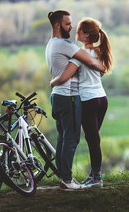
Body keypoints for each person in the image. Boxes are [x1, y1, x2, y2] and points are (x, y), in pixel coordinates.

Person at [45, 10, 105, 190]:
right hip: (68, 97)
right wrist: (102, 67)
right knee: (71, 139)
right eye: (68, 24)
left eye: (72, 24)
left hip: (58, 97)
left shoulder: (51, 44)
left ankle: (64, 177)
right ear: (57, 25)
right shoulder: (66, 46)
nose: (71, 27)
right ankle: (68, 179)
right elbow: (91, 62)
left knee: (63, 138)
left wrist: (53, 84)